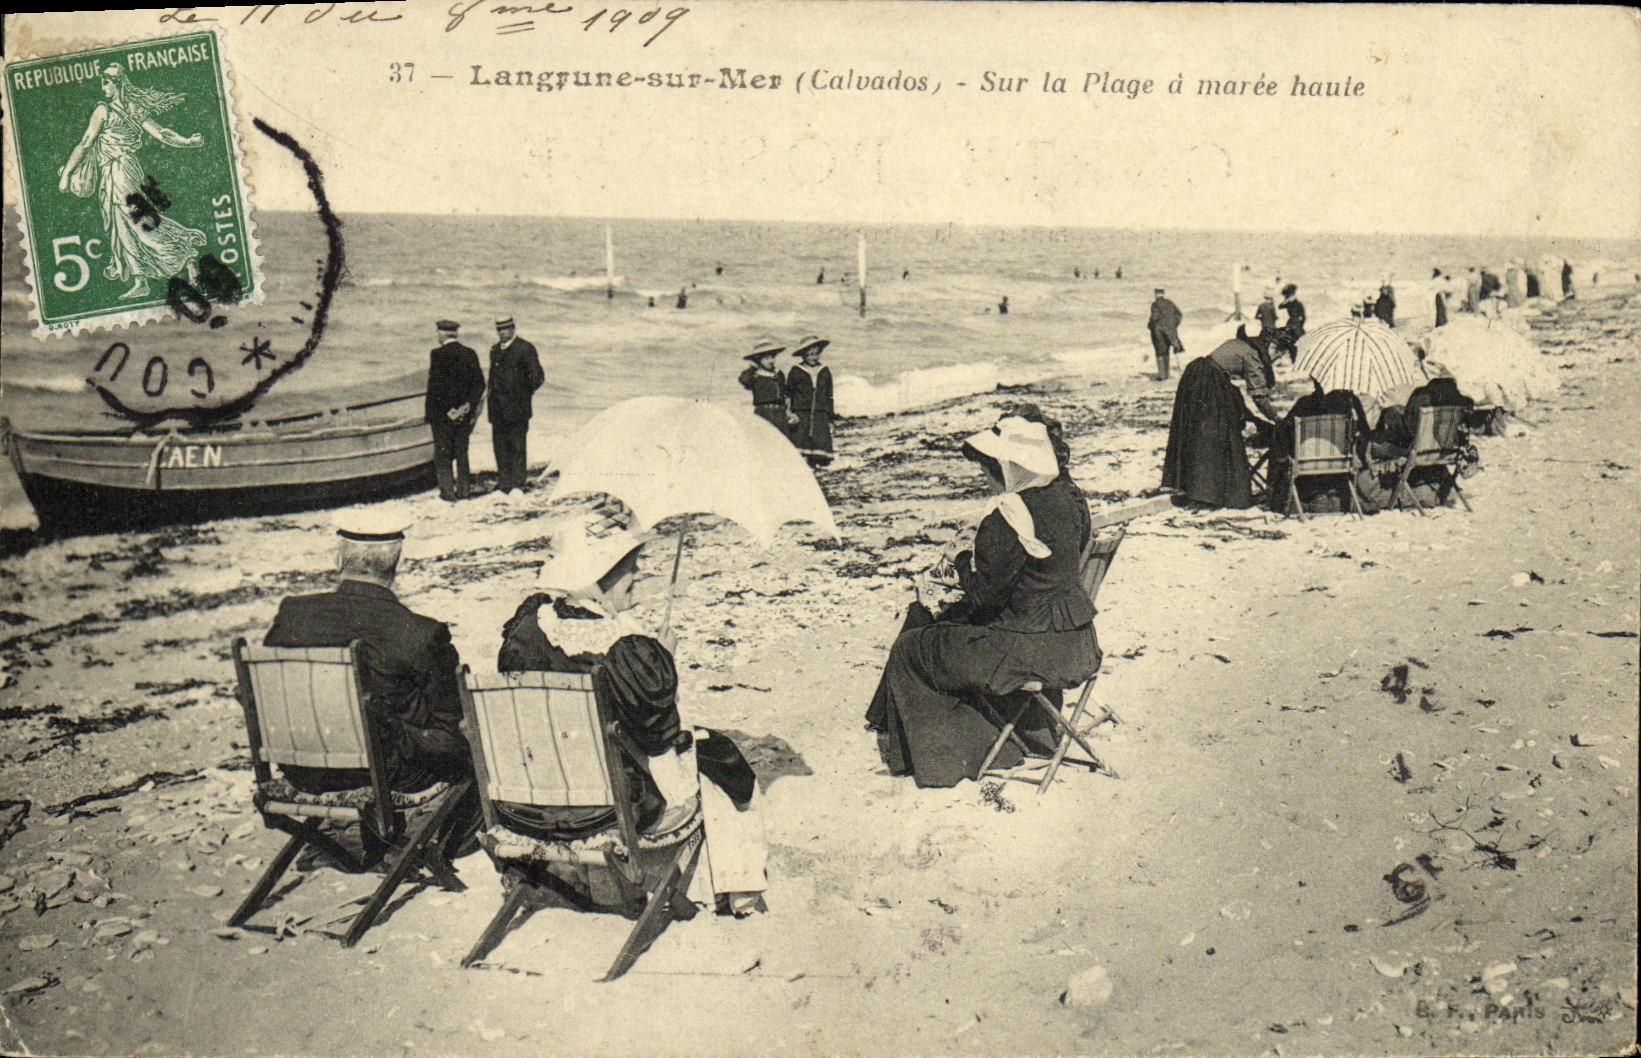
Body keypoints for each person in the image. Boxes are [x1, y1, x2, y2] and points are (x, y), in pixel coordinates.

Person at [497, 512, 766, 913]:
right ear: (597, 578)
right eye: (627, 568)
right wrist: (663, 662)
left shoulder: (531, 629)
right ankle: (736, 889)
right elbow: (658, 734)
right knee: (717, 757)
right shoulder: (624, 647)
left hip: (536, 797)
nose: (637, 574)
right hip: (611, 806)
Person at [864, 416, 1098, 788]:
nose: (986, 479)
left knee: (912, 647)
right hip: (1076, 646)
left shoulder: (1010, 514)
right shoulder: (1069, 499)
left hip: (1028, 653)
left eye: (988, 471)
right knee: (938, 622)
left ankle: (957, 757)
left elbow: (983, 601)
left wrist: (960, 560)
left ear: (1008, 468)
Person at [264, 507, 473, 796]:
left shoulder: (293, 614)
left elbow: (265, 697)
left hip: (304, 771)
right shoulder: (421, 632)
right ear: (399, 562)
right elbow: (451, 732)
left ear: (337, 559)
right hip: (392, 777)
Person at [56, 62, 207, 300]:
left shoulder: (104, 111)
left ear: (117, 84)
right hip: (116, 171)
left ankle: (185, 250)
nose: (103, 87)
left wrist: (66, 174)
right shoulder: (134, 109)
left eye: (106, 82)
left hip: (121, 172)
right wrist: (187, 142)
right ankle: (141, 280)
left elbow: (85, 143)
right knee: (122, 225)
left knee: (137, 222)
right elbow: (162, 134)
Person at [1161, 328, 1279, 509]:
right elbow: (1259, 396)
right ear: (1272, 346)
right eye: (1278, 354)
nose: (1275, 359)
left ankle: (1196, 490)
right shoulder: (1252, 356)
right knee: (1222, 438)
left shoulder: (1242, 345)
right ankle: (1213, 495)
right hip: (1208, 382)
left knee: (1199, 436)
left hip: (1195, 376)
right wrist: (1277, 418)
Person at [1264, 382, 1377, 514]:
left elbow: (1284, 432)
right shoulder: (1350, 403)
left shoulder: (1304, 403)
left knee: (1278, 440)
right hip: (1341, 466)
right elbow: (1366, 433)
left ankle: (1273, 495)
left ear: (1315, 381)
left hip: (1307, 467)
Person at [425, 320, 486, 501]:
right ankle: (464, 492)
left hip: (443, 416)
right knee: (461, 454)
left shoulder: (437, 354)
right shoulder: (470, 353)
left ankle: (447, 493)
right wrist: (466, 407)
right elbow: (479, 385)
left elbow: (436, 388)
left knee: (443, 455)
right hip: (463, 415)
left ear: (442, 334)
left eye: (438, 332)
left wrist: (433, 414)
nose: (437, 335)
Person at [486, 316, 545, 495]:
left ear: (513, 328)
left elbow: (537, 377)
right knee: (500, 447)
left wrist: (521, 395)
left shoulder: (525, 348)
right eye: (499, 329)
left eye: (505, 329)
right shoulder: (495, 350)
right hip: (497, 409)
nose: (502, 333)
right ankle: (504, 483)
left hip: (517, 408)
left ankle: (518, 484)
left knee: (517, 447)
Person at [786, 334, 835, 467]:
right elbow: (789, 393)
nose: (814, 357)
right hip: (801, 413)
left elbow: (829, 396)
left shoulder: (824, 371)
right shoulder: (796, 371)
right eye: (810, 354)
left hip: (820, 413)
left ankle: (818, 465)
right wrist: (789, 412)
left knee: (820, 443)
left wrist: (830, 418)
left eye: (817, 353)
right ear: (803, 355)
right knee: (801, 443)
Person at [738, 338, 792, 440]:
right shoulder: (755, 375)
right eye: (766, 358)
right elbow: (744, 380)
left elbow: (785, 394)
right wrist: (753, 367)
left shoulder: (779, 374)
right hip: (763, 413)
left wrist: (788, 412)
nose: (771, 361)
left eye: (773, 357)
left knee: (782, 441)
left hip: (780, 414)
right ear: (758, 359)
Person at [1146, 287, 1184, 381]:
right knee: (1166, 351)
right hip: (1170, 331)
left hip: (1159, 331)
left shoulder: (1155, 304)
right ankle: (1166, 374)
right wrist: (1173, 325)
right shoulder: (1170, 303)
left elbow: (1154, 317)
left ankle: (1162, 375)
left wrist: (1150, 326)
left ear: (1155, 294)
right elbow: (1179, 315)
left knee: (1160, 351)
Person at [1277, 283, 1306, 361]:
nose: (1287, 298)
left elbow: (1303, 317)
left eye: (1288, 296)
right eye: (1286, 296)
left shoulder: (1299, 304)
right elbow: (1280, 306)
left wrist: (1299, 324)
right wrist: (1285, 301)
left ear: (1293, 295)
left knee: (1299, 342)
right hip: (1290, 324)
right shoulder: (1289, 304)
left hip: (1297, 325)